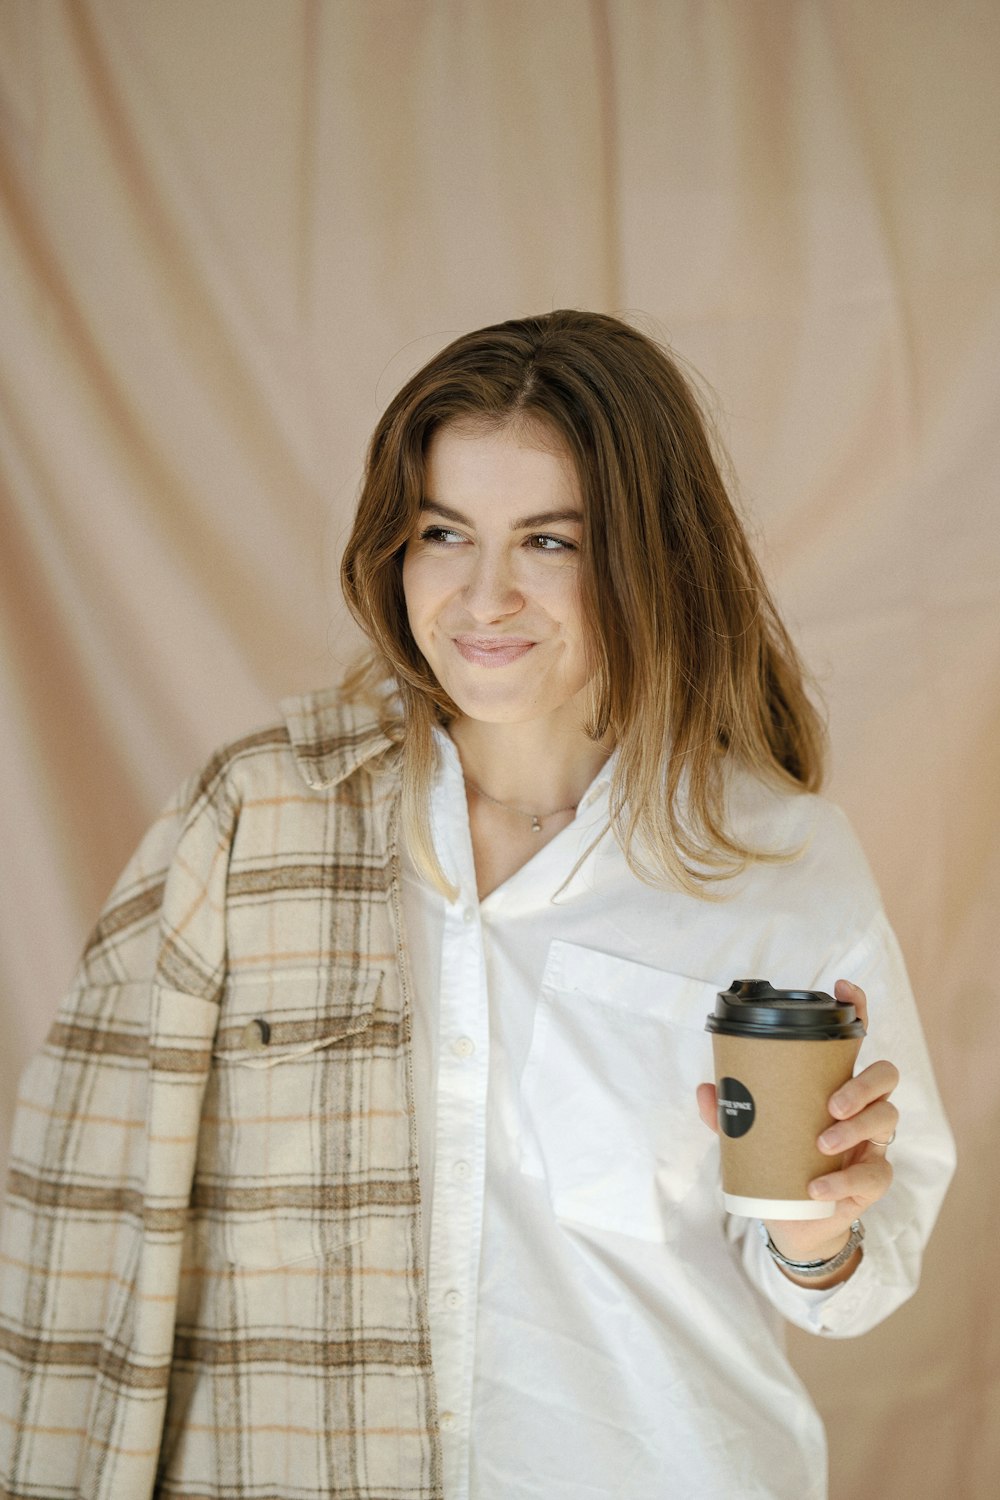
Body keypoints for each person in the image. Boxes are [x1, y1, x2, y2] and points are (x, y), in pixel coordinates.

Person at [0, 310, 954, 1500]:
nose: (482, 595)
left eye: (549, 542)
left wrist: (820, 1229)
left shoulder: (775, 861)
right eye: (443, 532)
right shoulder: (259, 829)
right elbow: (81, 1206)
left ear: (651, 558)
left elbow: (856, 1287)